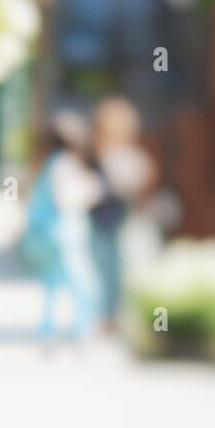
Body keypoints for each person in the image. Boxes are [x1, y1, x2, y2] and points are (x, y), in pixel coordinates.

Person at [21, 110, 103, 346]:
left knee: (51, 285)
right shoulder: (63, 164)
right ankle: (84, 332)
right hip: (63, 236)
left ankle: (46, 333)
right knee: (86, 286)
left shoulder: (45, 163)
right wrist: (92, 190)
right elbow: (65, 198)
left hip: (45, 237)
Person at [89, 95, 156, 335]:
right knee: (107, 272)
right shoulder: (102, 158)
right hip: (105, 224)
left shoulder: (124, 159)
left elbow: (138, 189)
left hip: (121, 224)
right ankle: (110, 317)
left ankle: (117, 318)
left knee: (119, 271)